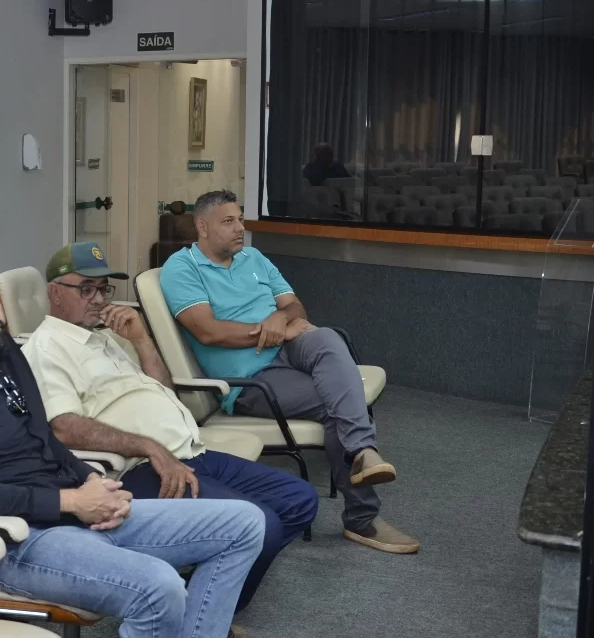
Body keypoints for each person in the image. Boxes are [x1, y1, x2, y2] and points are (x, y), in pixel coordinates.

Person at [0, 249, 266, 638]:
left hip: (67, 511)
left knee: (244, 524)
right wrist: (71, 501)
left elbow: (44, 439)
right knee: (158, 587)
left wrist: (93, 481)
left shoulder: (0, 348)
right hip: (7, 542)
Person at [22, 241, 317, 638]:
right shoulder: (47, 348)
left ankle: (200, 609)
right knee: (263, 524)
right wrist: (148, 446)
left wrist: (141, 340)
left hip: (190, 450)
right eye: (86, 289)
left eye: (103, 289)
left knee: (299, 500)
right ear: (55, 292)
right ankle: (201, 631)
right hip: (141, 469)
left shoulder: (104, 338)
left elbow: (162, 390)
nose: (98, 299)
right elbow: (63, 426)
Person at [160, 190, 418, 555]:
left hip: (289, 349)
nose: (240, 228)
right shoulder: (181, 268)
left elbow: (295, 306)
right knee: (338, 404)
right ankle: (362, 518)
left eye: (240, 219)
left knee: (326, 337)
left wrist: (281, 318)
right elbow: (209, 332)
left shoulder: (253, 257)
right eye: (228, 221)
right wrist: (277, 329)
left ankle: (362, 450)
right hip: (252, 378)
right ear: (202, 227)